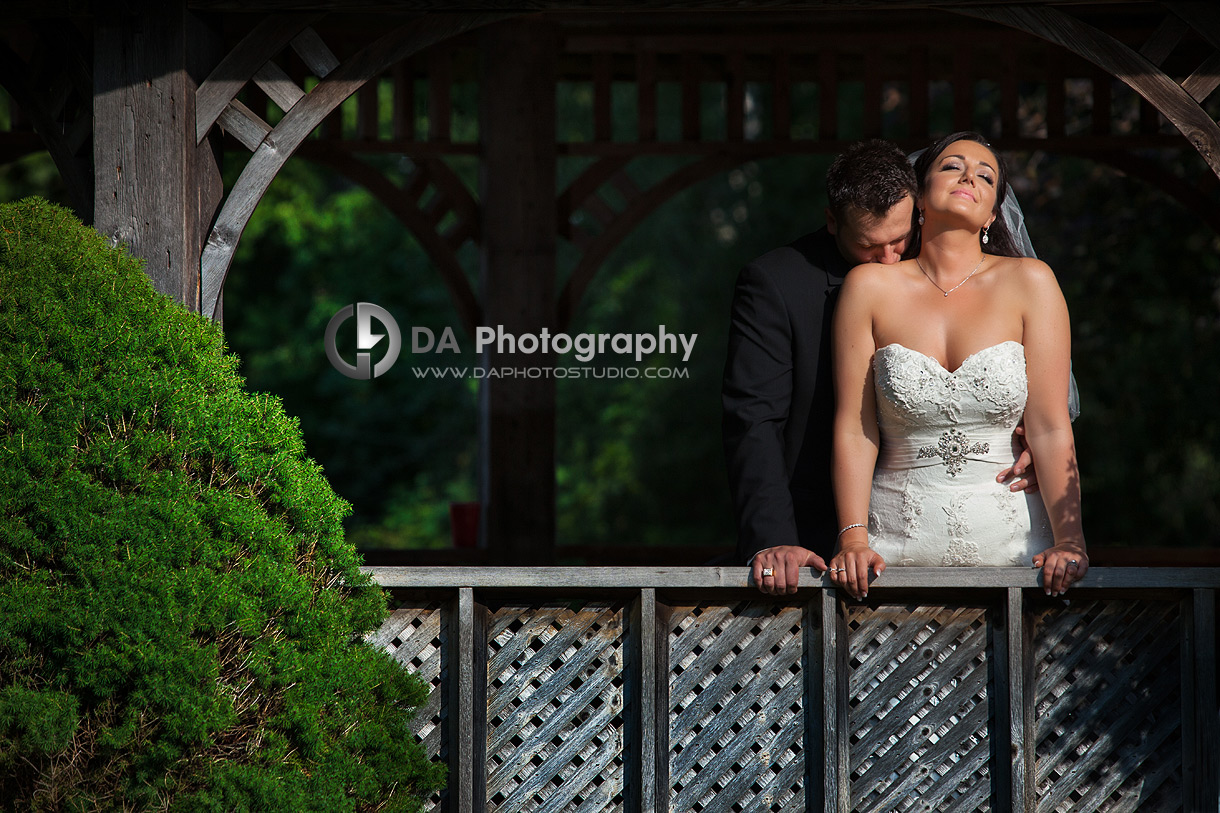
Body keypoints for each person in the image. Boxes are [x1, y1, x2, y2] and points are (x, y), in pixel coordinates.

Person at [723, 139, 1038, 596]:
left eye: (899, 239)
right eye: (871, 246)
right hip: (817, 538)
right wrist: (774, 541)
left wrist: (1025, 432)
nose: (891, 259)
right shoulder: (775, 284)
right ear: (833, 222)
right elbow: (753, 419)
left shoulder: (951, 265)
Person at [828, 131, 1088, 601]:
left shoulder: (1032, 282)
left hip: (1015, 551)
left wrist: (1071, 539)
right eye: (952, 166)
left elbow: (1049, 427)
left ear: (992, 213)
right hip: (893, 551)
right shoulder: (867, 287)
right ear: (919, 195)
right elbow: (853, 427)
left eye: (986, 175)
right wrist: (853, 538)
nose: (970, 175)